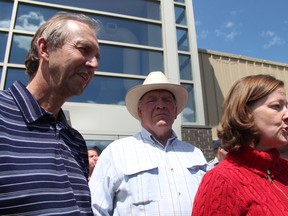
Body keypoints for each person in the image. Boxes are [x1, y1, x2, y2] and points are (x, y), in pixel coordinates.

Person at [0, 12, 100, 215]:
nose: (94, 64)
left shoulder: (75, 141)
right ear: (45, 48)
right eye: (84, 50)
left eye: (97, 57)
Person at [89, 71, 207, 215]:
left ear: (175, 111)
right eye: (152, 100)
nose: (160, 105)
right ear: (140, 111)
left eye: (167, 100)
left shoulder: (195, 154)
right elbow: (95, 210)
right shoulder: (116, 152)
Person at [192, 74, 288, 215]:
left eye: (286, 106)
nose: (286, 114)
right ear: (245, 112)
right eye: (276, 106)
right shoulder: (221, 181)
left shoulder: (285, 168)